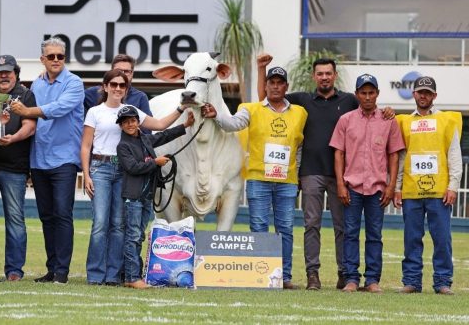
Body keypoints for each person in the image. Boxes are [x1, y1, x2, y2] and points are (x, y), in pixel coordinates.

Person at [255, 54, 358, 290]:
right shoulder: (301, 100)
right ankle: (313, 275)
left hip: (342, 175)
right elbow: (265, 98)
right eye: (320, 74)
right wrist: (262, 69)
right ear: (314, 76)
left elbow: (369, 110)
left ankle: (345, 273)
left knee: (343, 227)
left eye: (328, 73)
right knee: (312, 225)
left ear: (335, 76)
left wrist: (389, 111)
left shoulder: (350, 101)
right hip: (310, 173)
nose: (324, 77)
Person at [81, 70, 187, 286]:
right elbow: (85, 145)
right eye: (114, 84)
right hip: (100, 167)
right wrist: (86, 174)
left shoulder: (132, 111)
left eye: (122, 85)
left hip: (125, 170)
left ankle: (113, 275)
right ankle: (95, 274)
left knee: (120, 224)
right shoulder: (95, 111)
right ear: (105, 86)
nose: (118, 88)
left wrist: (181, 109)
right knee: (100, 223)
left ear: (126, 88)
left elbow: (159, 126)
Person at [205, 66, 308, 290]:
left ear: (286, 87)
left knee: (286, 229)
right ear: (266, 85)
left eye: (280, 82)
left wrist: (296, 174)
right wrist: (217, 116)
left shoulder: (300, 113)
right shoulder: (250, 109)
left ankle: (285, 275)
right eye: (271, 82)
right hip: (258, 178)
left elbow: (298, 147)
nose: (275, 86)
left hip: (287, 181)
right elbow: (233, 123)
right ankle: (263, 275)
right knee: (259, 226)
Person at [10, 37, 84, 284]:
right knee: (47, 216)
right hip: (39, 160)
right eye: (50, 56)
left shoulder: (74, 83)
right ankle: (52, 268)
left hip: (64, 160)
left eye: (59, 56)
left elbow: (59, 108)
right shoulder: (37, 84)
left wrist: (27, 111)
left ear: (65, 58)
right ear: (42, 59)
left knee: (63, 214)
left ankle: (62, 271)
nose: (55, 60)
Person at [330, 74, 405, 293]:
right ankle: (351, 279)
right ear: (357, 95)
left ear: (378, 94)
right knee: (350, 233)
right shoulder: (346, 120)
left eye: (371, 92)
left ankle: (372, 280)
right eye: (363, 92)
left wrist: (391, 187)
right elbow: (338, 154)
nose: (368, 96)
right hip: (351, 187)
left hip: (378, 189)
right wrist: (341, 185)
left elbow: (394, 155)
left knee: (375, 235)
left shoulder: (388, 120)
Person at [394, 76, 462, 295]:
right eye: (420, 92)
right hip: (411, 190)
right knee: (411, 237)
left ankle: (443, 282)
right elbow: (402, 156)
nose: (423, 96)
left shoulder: (447, 120)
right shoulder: (403, 122)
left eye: (428, 93)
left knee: (442, 237)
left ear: (434, 96)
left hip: (440, 192)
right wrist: (397, 187)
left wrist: (453, 186)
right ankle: (412, 281)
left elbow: (454, 155)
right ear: (414, 94)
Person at [116, 105, 195, 289]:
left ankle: (134, 274)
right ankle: (131, 277)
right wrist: (155, 162)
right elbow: (133, 168)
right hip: (133, 197)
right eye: (126, 122)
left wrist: (185, 125)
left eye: (133, 121)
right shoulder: (123, 146)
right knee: (133, 236)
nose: (130, 124)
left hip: (146, 197)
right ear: (121, 126)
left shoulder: (145, 139)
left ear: (138, 122)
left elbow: (163, 135)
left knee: (139, 237)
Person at [0, 55, 37, 281]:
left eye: (8, 71)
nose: (4, 75)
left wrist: (13, 138)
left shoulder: (26, 94)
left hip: (14, 167)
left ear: (16, 73)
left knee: (15, 219)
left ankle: (14, 270)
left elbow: (30, 127)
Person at [83, 54, 152, 117]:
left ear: (132, 74)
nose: (122, 74)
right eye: (118, 71)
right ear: (111, 72)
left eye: (126, 71)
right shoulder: (92, 93)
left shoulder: (140, 97)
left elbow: (147, 129)